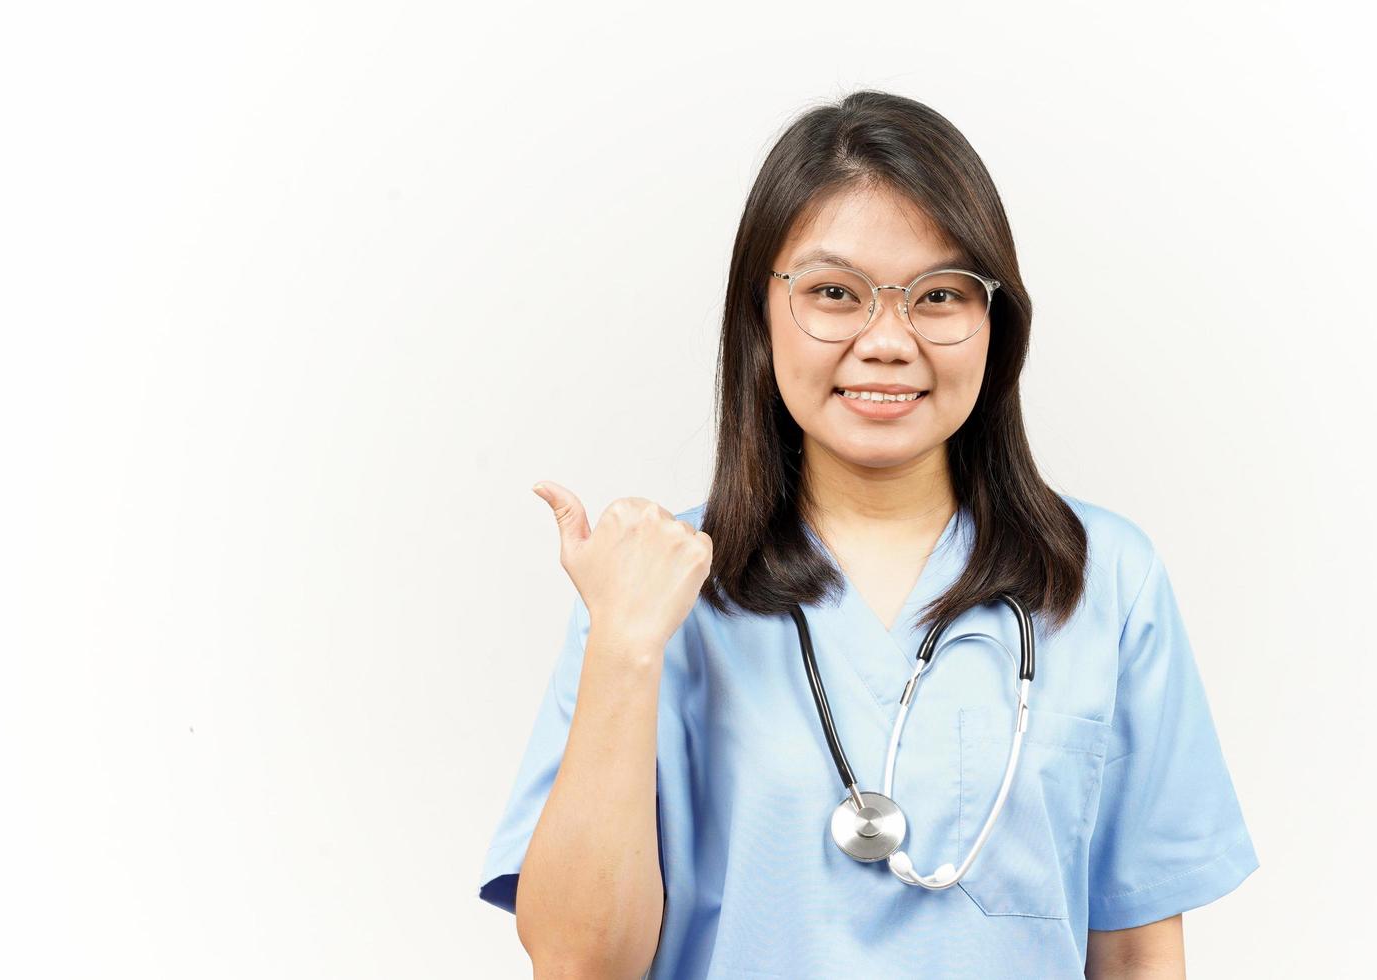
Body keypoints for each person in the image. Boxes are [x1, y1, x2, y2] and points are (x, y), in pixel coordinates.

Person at [477, 90, 1258, 978]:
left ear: (994, 326)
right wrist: (624, 645)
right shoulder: (654, 590)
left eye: (939, 295)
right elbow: (580, 964)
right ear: (761, 320)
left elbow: (1137, 954)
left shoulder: (1105, 579)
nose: (888, 340)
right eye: (835, 292)